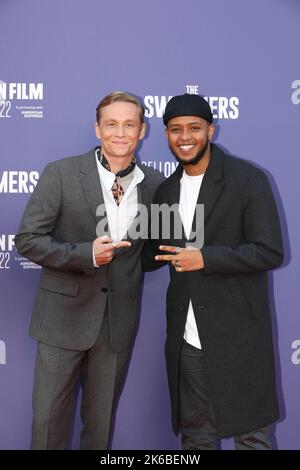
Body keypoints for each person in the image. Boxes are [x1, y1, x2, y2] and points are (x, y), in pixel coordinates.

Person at [15, 91, 164, 450]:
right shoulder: (61, 173)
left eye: (129, 124)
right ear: (98, 129)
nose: (120, 132)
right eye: (111, 124)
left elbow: (150, 252)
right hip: (61, 320)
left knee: (99, 431)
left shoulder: (157, 185)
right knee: (48, 424)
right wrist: (86, 255)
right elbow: (28, 240)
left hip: (116, 325)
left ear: (142, 130)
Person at [142, 93, 284, 450]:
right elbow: (150, 254)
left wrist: (206, 258)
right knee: (197, 439)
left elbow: (269, 251)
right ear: (166, 135)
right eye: (175, 129)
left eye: (194, 127)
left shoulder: (248, 179)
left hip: (238, 337)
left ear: (211, 130)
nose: (185, 136)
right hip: (187, 340)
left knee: (252, 438)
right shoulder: (165, 191)